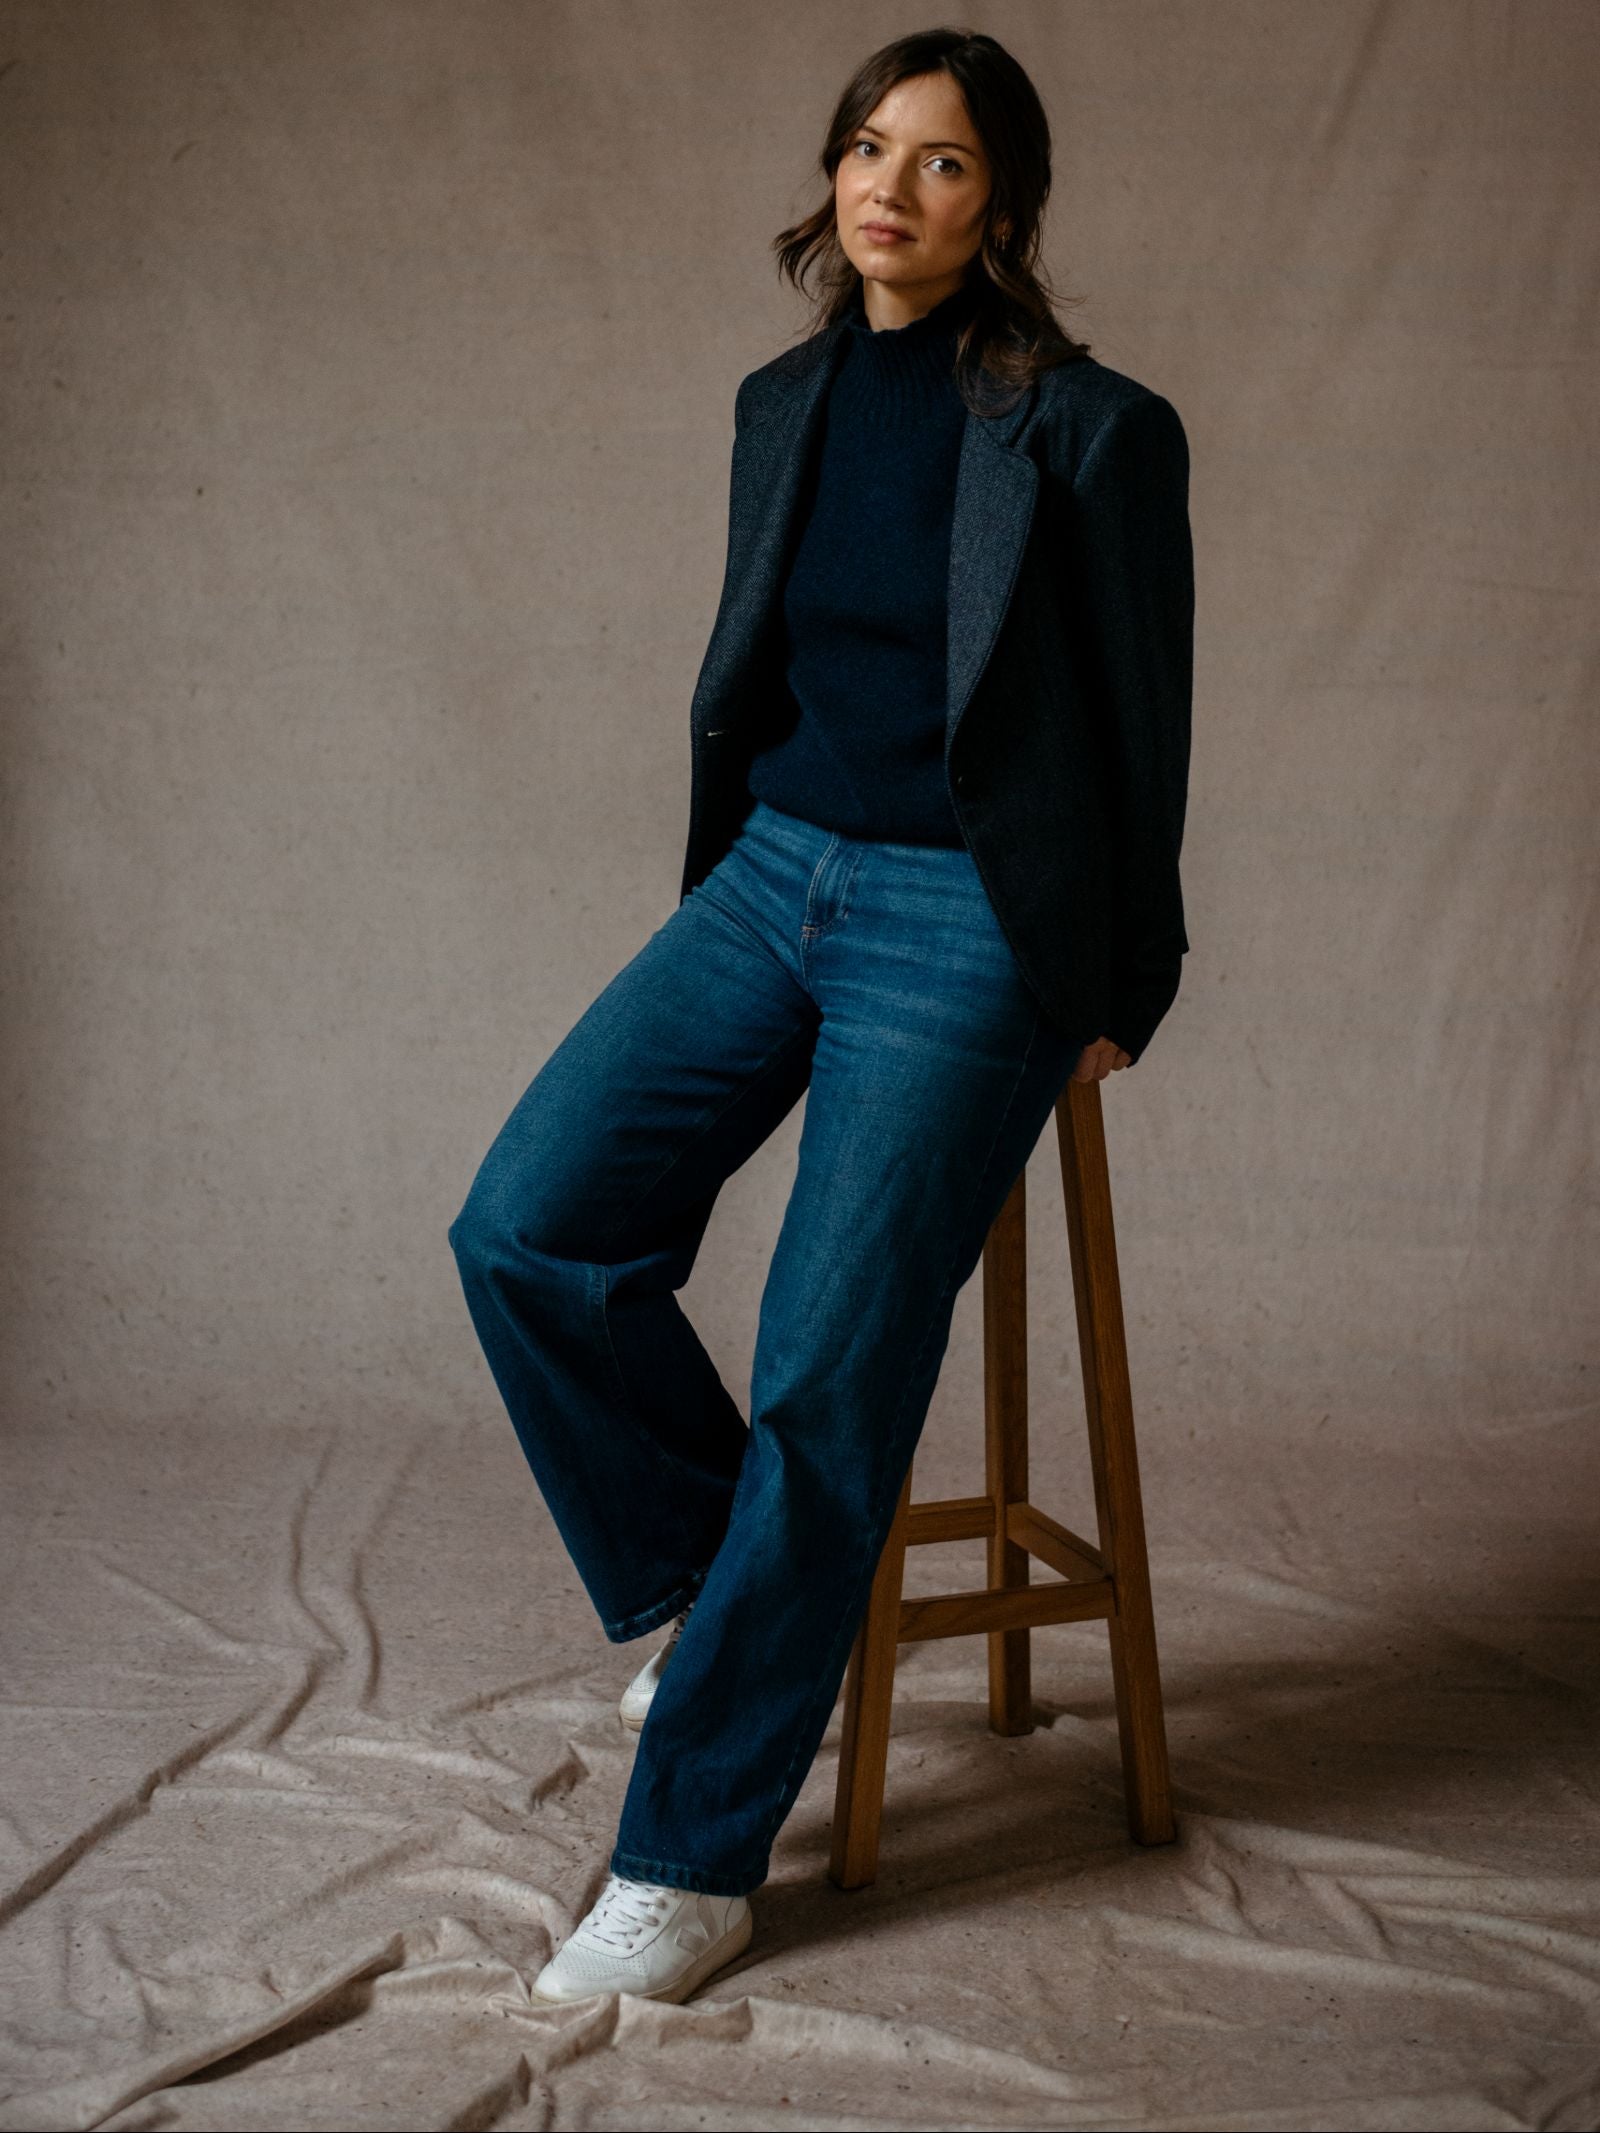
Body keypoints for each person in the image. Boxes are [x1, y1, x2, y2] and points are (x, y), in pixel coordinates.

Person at [448, 25, 1194, 2008]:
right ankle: (735, 1592)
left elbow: (1142, 722)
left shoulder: (1093, 429)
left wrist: (1126, 979)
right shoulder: (776, 401)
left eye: (940, 163)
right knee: (523, 1224)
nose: (890, 186)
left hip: (969, 923)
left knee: (822, 1368)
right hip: (775, 872)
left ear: (1002, 207)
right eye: (867, 147)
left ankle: (688, 1859)